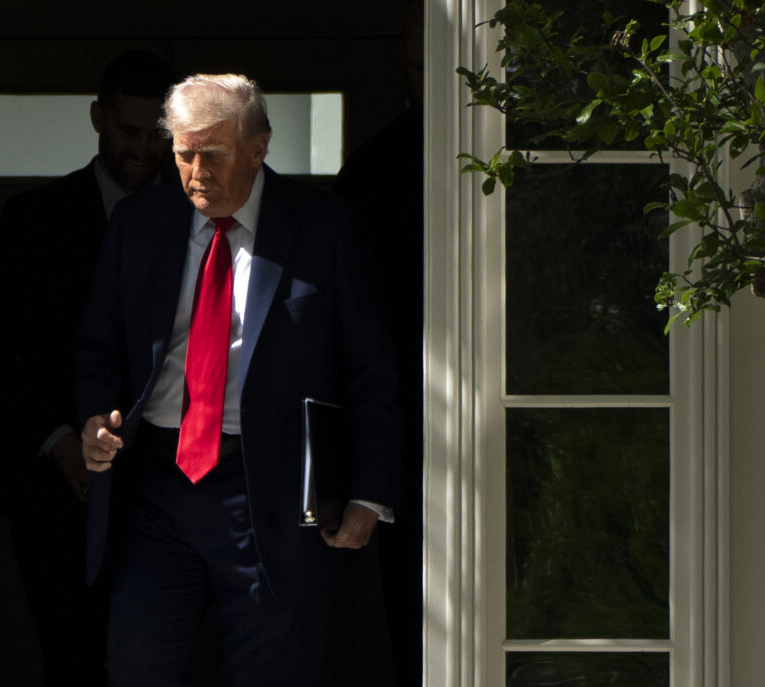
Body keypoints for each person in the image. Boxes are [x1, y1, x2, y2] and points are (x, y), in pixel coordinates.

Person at [76, 73, 401, 687]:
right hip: (156, 486)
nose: (196, 173)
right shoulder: (139, 222)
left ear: (259, 147)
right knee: (138, 667)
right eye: (184, 155)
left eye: (214, 155)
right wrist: (96, 416)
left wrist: (368, 493)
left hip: (271, 487)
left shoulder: (325, 227)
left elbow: (370, 370)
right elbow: (98, 346)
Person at [0, 49, 175, 686]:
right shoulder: (33, 221)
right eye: (129, 131)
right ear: (98, 118)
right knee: (71, 662)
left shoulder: (197, 220)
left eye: (157, 136)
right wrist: (57, 440)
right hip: (55, 494)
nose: (143, 151)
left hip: (169, 492)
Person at [333, 5, 424, 684]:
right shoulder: (371, 174)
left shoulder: (535, 163)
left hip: (529, 415)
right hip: (401, 429)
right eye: (422, 67)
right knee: (411, 613)